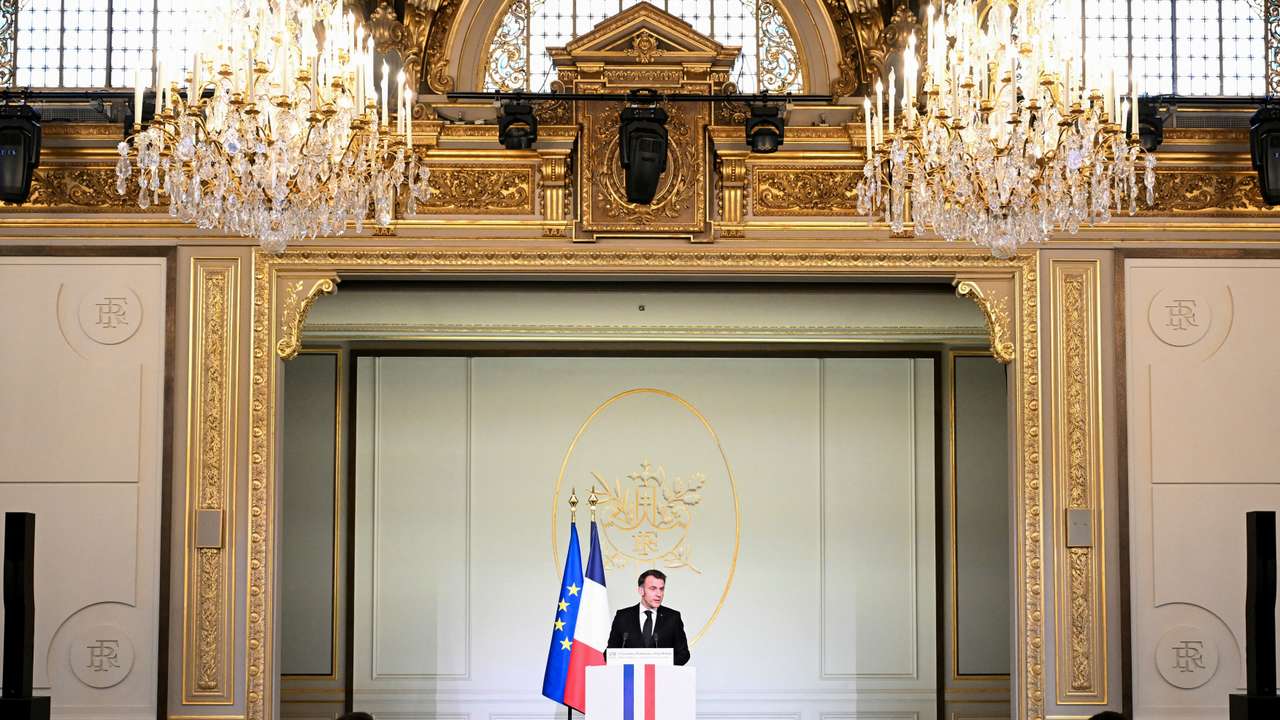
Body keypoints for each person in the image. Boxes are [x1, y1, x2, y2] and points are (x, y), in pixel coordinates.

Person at [606, 568, 690, 666]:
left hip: (662, 678)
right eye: (653, 588)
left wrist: (664, 667)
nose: (659, 594)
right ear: (641, 590)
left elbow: (683, 654)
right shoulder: (623, 616)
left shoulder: (673, 617)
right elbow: (609, 653)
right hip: (629, 678)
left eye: (661, 589)